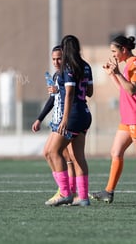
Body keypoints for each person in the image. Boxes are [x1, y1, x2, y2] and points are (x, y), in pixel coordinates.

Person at [92, 35, 136, 205]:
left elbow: (131, 89)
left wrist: (117, 73)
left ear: (124, 49)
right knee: (116, 152)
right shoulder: (127, 66)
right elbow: (124, 90)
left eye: (114, 51)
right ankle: (108, 192)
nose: (113, 55)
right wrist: (112, 75)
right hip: (128, 118)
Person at [44, 35, 93, 206]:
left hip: (71, 116)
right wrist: (60, 89)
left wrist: (65, 119)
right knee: (78, 157)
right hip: (85, 114)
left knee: (52, 152)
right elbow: (90, 92)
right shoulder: (85, 66)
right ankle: (84, 198)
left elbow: (70, 93)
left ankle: (65, 193)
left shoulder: (67, 67)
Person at [31, 45, 78, 204]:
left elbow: (70, 94)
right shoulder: (57, 75)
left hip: (68, 119)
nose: (56, 61)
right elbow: (53, 99)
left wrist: (57, 90)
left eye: (59, 58)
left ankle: (66, 193)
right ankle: (66, 191)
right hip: (58, 121)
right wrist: (40, 118)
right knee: (57, 154)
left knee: (57, 153)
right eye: (54, 59)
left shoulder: (68, 72)